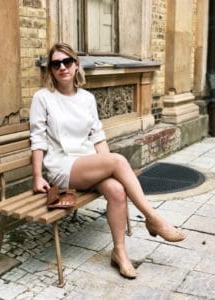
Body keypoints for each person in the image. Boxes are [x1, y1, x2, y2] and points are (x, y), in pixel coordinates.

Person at [30, 42, 185, 279]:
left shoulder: (86, 98)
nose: (62, 67)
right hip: (62, 166)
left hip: (87, 163)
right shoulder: (43, 98)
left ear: (76, 65)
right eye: (55, 63)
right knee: (118, 161)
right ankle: (153, 218)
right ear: (51, 70)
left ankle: (120, 253)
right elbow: (38, 138)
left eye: (67, 62)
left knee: (116, 189)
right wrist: (38, 176)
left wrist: (109, 168)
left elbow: (97, 136)